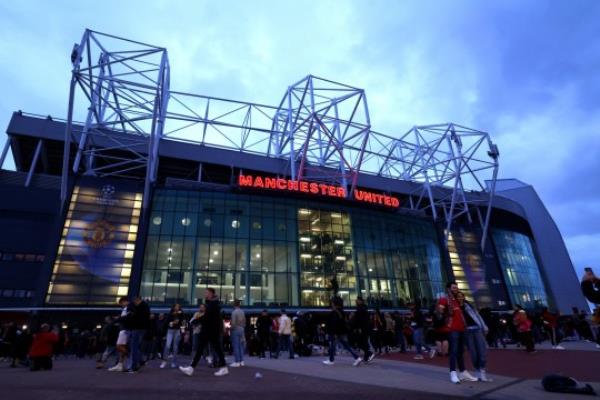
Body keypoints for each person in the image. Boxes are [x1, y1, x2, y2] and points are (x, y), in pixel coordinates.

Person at [179, 288, 228, 377]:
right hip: (209, 330)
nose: (205, 294)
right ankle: (191, 368)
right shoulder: (212, 304)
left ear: (211, 294)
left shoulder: (213, 305)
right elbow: (208, 317)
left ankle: (223, 367)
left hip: (211, 331)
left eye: (207, 293)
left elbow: (207, 317)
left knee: (214, 349)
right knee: (203, 349)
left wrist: (195, 321)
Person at [438, 282, 478, 384]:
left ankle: (463, 372)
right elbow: (439, 312)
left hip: (462, 329)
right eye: (453, 288)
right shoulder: (445, 299)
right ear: (448, 289)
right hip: (453, 330)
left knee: (461, 352)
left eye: (456, 287)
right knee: (453, 351)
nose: (456, 289)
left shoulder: (458, 300)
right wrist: (442, 312)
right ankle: (453, 373)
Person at [457, 292, 492, 382]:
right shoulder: (456, 308)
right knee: (473, 352)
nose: (460, 298)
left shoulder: (469, 306)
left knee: (481, 350)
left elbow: (478, 316)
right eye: (458, 297)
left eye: (461, 297)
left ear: (463, 297)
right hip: (467, 331)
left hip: (477, 329)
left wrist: (484, 327)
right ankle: (477, 370)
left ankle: (482, 371)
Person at [322, 297, 362, 366]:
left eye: (332, 303)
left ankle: (331, 360)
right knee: (346, 345)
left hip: (336, 332)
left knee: (332, 345)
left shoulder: (335, 312)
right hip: (341, 331)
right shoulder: (342, 312)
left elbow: (334, 323)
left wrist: (333, 332)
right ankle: (357, 357)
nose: (331, 305)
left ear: (334, 304)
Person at [109, 296, 132, 372]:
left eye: (121, 303)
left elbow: (127, 318)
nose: (121, 305)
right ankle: (120, 364)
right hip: (125, 329)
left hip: (125, 330)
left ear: (125, 301)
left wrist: (118, 318)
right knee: (122, 346)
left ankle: (132, 357)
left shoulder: (128, 308)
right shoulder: (127, 308)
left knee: (119, 346)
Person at [128, 296, 150, 372]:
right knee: (137, 346)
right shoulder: (145, 307)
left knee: (134, 346)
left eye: (135, 301)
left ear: (137, 300)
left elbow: (137, 317)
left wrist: (132, 314)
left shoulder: (140, 308)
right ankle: (138, 362)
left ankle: (134, 365)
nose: (134, 303)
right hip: (141, 328)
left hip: (137, 328)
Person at [353, 297, 376, 363]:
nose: (356, 301)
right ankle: (366, 357)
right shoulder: (363, 308)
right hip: (365, 327)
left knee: (361, 342)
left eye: (357, 300)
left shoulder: (360, 309)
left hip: (363, 328)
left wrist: (359, 327)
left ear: (360, 301)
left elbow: (359, 319)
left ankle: (369, 354)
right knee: (364, 342)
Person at [161, 304, 184, 369]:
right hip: (170, 330)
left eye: (178, 306)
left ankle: (174, 362)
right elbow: (166, 322)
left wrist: (183, 331)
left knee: (175, 347)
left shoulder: (181, 314)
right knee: (167, 346)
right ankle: (164, 361)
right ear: (173, 307)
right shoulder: (170, 314)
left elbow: (184, 322)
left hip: (177, 330)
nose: (177, 308)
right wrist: (171, 323)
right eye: (176, 306)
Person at [230, 299, 246, 367]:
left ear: (234, 304)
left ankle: (237, 361)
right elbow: (245, 321)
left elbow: (233, 323)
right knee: (241, 346)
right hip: (242, 329)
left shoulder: (234, 312)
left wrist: (231, 328)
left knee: (236, 346)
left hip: (236, 329)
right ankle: (242, 361)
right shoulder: (242, 311)